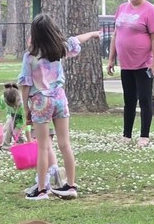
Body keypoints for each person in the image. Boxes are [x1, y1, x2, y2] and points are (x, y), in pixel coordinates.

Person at [19, 13, 101, 200]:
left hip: (41, 101)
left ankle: (41, 189)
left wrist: (25, 108)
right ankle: (70, 185)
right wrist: (93, 34)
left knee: (42, 147)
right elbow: (77, 40)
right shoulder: (60, 49)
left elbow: (24, 83)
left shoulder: (30, 57)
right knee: (65, 144)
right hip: (60, 99)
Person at [107, 0, 154, 148]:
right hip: (126, 64)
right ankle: (126, 135)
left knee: (144, 100)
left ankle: (144, 135)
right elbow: (116, 34)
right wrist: (111, 59)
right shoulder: (122, 8)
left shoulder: (150, 10)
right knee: (128, 100)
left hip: (143, 64)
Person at [0, 82, 30, 149]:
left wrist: (29, 140)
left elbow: (26, 124)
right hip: (11, 115)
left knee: (17, 132)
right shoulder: (3, 98)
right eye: (11, 105)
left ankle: (21, 142)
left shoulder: (23, 105)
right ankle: (5, 145)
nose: (13, 107)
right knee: (7, 127)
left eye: (15, 105)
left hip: (21, 119)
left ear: (18, 99)